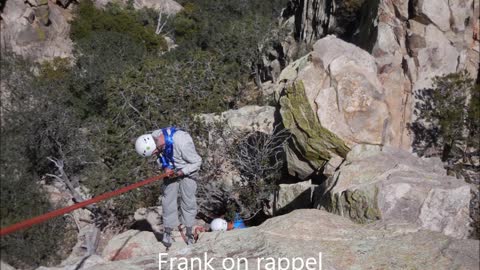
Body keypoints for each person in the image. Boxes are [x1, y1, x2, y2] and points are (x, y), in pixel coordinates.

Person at [135, 127, 202, 247]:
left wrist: (182, 172)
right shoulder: (156, 139)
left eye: (154, 151)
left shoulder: (182, 141)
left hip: (188, 170)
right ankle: (168, 231)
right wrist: (165, 167)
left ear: (155, 143)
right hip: (171, 171)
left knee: (188, 201)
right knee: (167, 201)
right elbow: (160, 157)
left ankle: (189, 231)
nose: (154, 154)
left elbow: (197, 162)